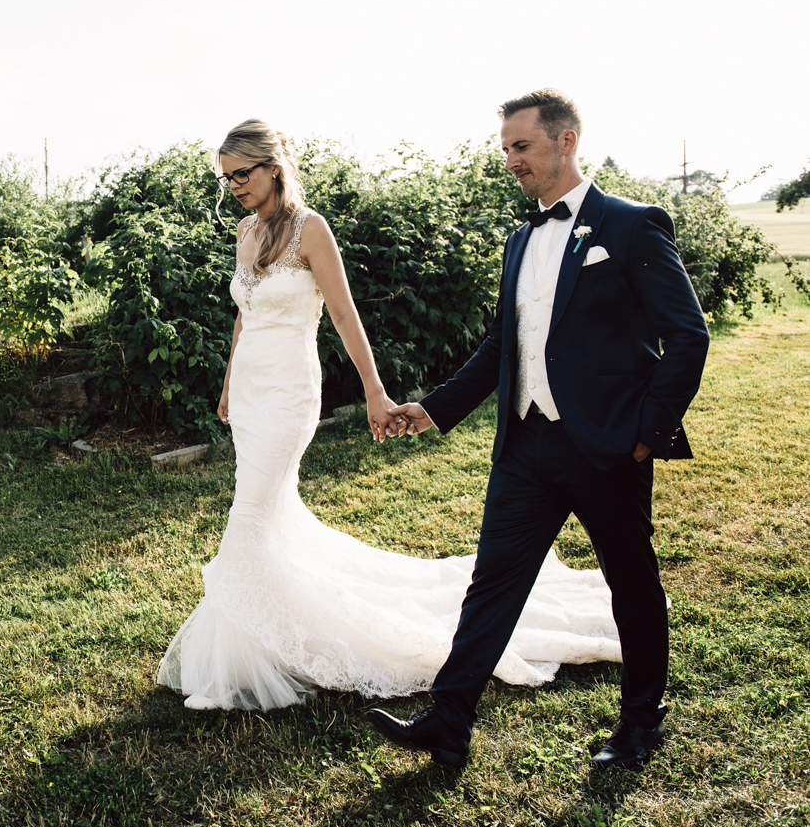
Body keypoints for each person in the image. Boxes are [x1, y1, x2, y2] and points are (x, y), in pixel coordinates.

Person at [156, 118, 624, 712]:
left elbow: (346, 317)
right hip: (249, 394)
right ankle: (261, 645)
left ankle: (232, 669)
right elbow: (243, 316)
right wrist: (227, 384)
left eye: (241, 174)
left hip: (289, 396)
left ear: (273, 166)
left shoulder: (311, 229)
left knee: (246, 517)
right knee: (267, 517)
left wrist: (375, 393)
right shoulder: (247, 231)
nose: (234, 188)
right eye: (226, 180)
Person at [367, 89, 710, 769]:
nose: (510, 161)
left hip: (608, 445)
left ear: (567, 140)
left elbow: (688, 335)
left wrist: (646, 432)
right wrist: (432, 408)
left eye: (521, 146)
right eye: (505, 149)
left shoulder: (634, 227)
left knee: (630, 583)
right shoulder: (520, 240)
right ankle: (449, 719)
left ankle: (642, 720)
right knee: (492, 581)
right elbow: (503, 345)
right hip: (526, 445)